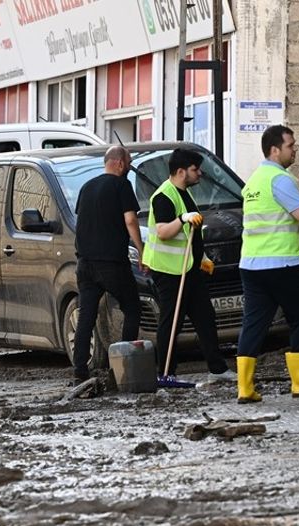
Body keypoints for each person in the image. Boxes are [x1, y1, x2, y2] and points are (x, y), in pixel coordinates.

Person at [234, 125, 299, 403]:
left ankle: (244, 387)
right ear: (275, 149)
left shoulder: (254, 181)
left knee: (254, 323)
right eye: (291, 146)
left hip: (252, 265)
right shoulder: (280, 178)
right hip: (284, 263)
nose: (295, 151)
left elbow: (282, 220)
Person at [144, 147, 232, 385]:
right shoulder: (164, 196)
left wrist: (201, 257)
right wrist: (182, 219)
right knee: (172, 321)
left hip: (189, 269)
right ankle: (166, 372)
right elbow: (163, 232)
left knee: (205, 317)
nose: (199, 173)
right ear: (181, 171)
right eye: (195, 169)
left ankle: (217, 368)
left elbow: (189, 234)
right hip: (170, 271)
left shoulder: (185, 194)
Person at [71, 146, 144, 381]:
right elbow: (131, 219)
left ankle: (80, 369)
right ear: (120, 163)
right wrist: (142, 252)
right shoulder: (121, 185)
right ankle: (121, 368)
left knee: (86, 316)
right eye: (129, 162)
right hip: (112, 263)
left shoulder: (86, 187)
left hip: (85, 263)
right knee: (132, 307)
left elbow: (82, 220)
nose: (130, 168)